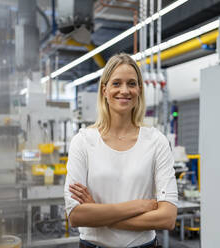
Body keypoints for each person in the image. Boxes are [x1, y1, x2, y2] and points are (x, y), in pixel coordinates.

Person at [64, 53, 177, 248]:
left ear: (139, 90)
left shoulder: (156, 141)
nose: (124, 90)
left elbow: (167, 218)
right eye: (116, 83)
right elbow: (76, 215)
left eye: (131, 84)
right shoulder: (82, 142)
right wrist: (138, 206)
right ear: (104, 89)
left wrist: (98, 212)